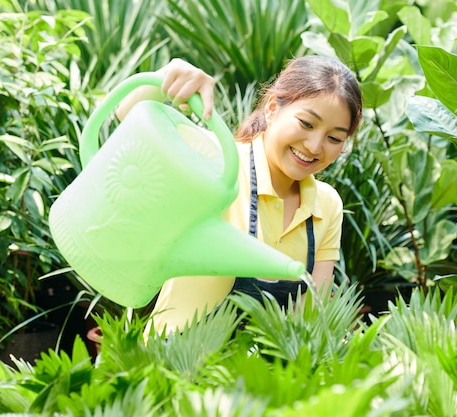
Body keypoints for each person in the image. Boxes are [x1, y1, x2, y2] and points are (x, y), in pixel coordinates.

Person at [117, 56, 362, 335]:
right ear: (272, 109)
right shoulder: (219, 162)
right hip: (175, 366)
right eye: (306, 123)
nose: (315, 146)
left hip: (263, 374)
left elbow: (308, 317)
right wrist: (168, 75)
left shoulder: (327, 205)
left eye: (334, 138)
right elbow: (129, 115)